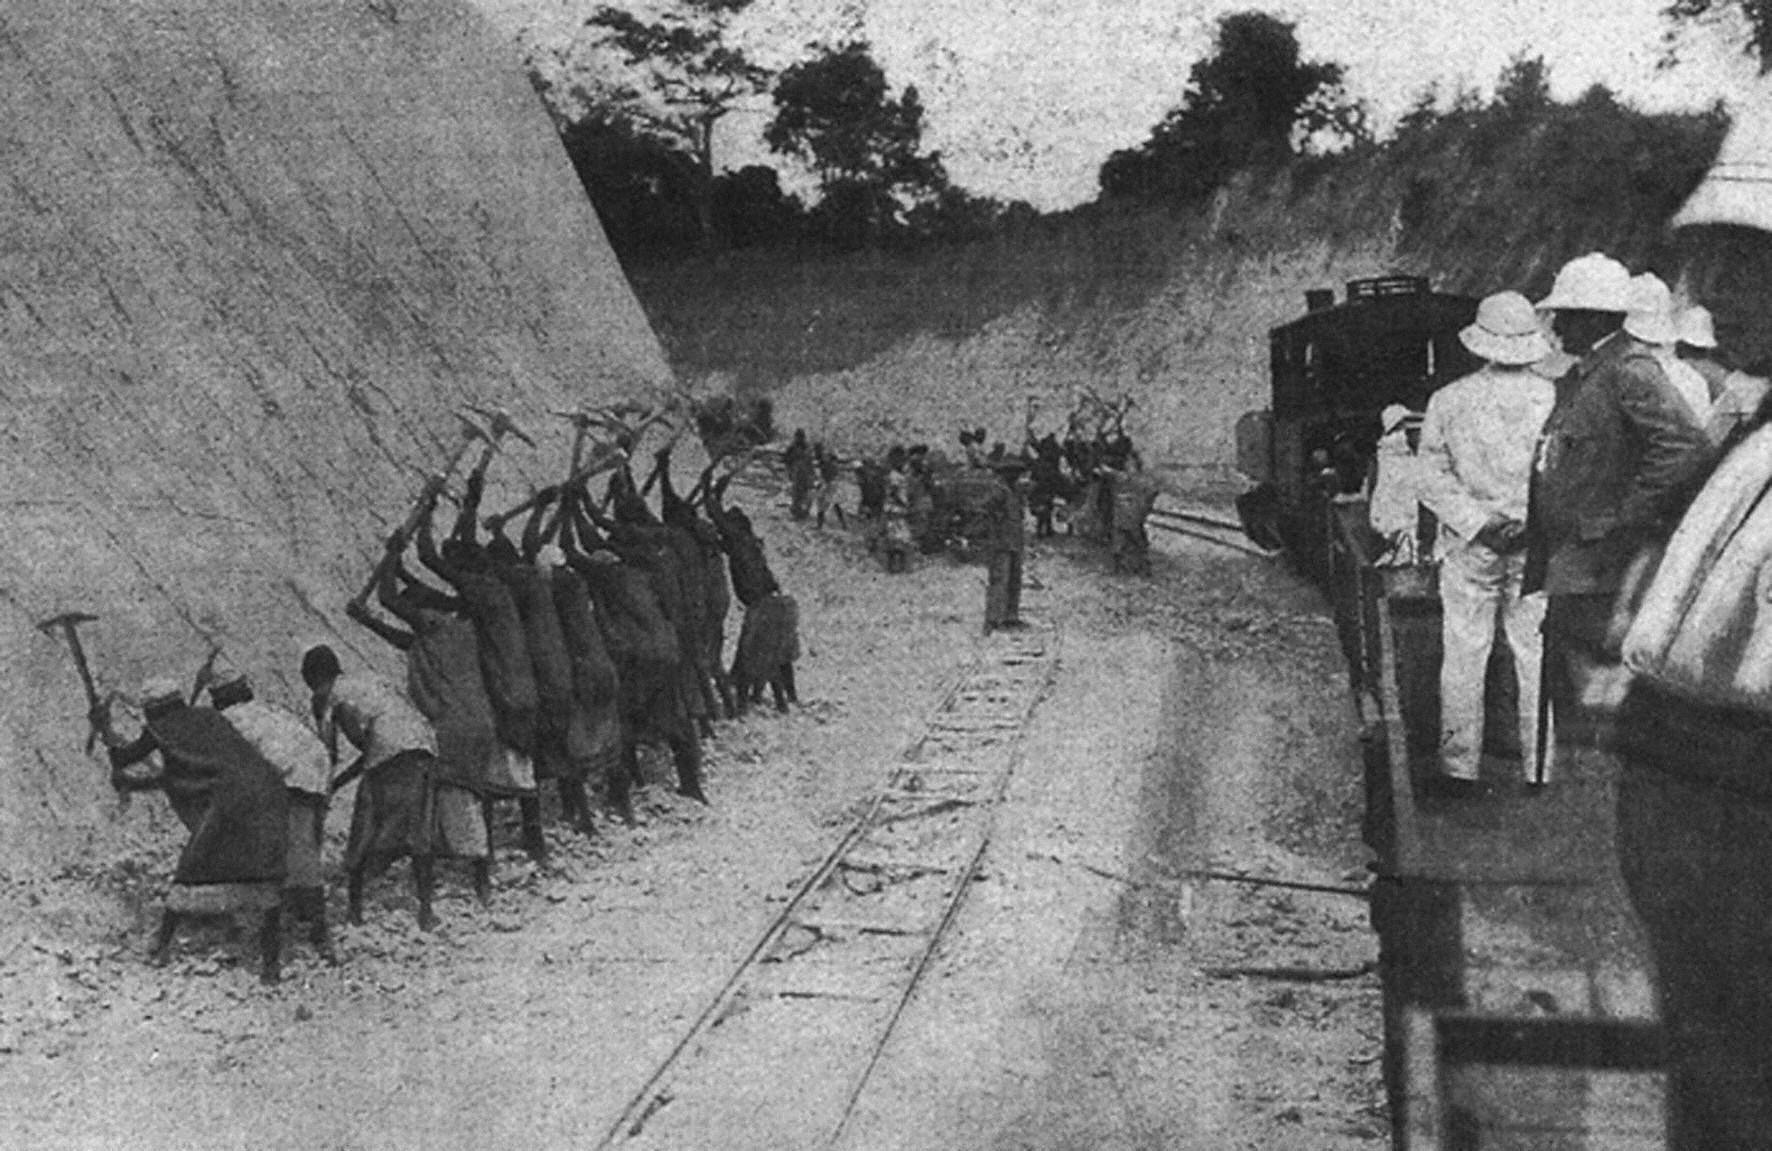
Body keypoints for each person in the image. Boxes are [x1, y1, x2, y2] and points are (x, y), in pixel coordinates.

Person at [1525, 252, 1714, 770]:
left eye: (1566, 314)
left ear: (1594, 318)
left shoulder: (1627, 371)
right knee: (1575, 707)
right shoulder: (1590, 375)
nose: (1557, 324)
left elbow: (1682, 447)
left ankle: (1593, 808)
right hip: (1576, 568)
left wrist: (1621, 518)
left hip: (1601, 569)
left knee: (1594, 709)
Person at [1414, 291, 1556, 796]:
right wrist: (1529, 522)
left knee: (1465, 650)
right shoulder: (1554, 398)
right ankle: (1539, 768)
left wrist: (1478, 522)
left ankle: (1459, 767)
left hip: (1472, 545)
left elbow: (1430, 475)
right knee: (1535, 651)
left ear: (1479, 343)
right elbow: (1560, 475)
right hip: (1534, 543)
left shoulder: (1448, 400)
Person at [98, 676, 288, 983]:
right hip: (269, 791)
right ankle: (271, 967)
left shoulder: (160, 729)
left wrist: (106, 735)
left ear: (152, 711)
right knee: (266, 874)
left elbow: (127, 758)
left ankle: (161, 948)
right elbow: (188, 774)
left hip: (230, 800)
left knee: (192, 868)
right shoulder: (210, 717)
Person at [303, 645, 488, 931]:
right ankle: (425, 911)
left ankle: (354, 912)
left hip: (390, 754)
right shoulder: (368, 682)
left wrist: (329, 785)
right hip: (423, 746)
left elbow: (350, 747)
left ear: (313, 678)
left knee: (364, 828)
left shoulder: (329, 697)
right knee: (418, 832)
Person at [209, 673, 338, 964]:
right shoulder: (270, 709)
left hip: (291, 778)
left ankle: (310, 932)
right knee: (304, 851)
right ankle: (310, 923)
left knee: (290, 857)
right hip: (317, 769)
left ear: (221, 699)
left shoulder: (229, 719)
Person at [983, 459, 1028, 631]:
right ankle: (995, 618)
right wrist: (997, 520)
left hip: (1015, 540)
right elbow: (987, 507)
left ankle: (1011, 615)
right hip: (1002, 541)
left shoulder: (1015, 491)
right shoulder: (999, 490)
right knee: (1000, 579)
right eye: (1013, 472)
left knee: (1014, 580)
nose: (1016, 476)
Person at [784, 428, 815, 521]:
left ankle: (803, 512)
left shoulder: (807, 447)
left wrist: (811, 473)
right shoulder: (792, 447)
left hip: (804, 473)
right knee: (796, 492)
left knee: (804, 492)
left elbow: (810, 461)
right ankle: (797, 512)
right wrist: (789, 472)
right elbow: (787, 461)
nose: (799, 439)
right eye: (798, 437)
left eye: (800, 437)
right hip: (796, 472)